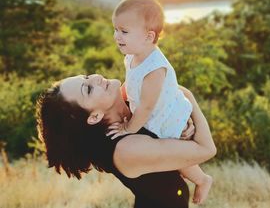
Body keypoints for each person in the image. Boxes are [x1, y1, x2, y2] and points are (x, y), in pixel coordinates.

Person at [36, 73, 216, 208]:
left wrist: (184, 121)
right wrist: (190, 101)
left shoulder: (129, 94)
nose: (97, 78)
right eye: (88, 89)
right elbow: (206, 149)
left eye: (87, 77)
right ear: (95, 117)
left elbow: (171, 91)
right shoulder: (127, 150)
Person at [111, 0, 213, 204]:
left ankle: (202, 179)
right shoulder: (132, 55)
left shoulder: (155, 68)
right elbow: (131, 84)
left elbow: (147, 107)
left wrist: (129, 128)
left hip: (166, 117)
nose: (116, 36)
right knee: (167, 158)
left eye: (124, 31)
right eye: (115, 29)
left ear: (148, 37)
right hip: (152, 113)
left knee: (175, 156)